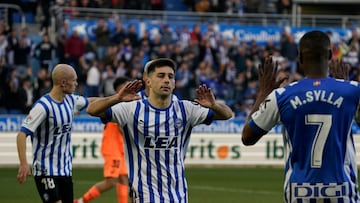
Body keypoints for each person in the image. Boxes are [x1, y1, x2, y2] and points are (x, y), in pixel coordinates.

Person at [86, 58, 233, 202]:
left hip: (179, 195)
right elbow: (92, 109)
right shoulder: (132, 109)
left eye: (171, 77)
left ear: (175, 83)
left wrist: (214, 105)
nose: (167, 80)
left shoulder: (186, 109)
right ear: (148, 81)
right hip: (145, 195)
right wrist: (117, 98)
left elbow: (227, 114)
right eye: (161, 76)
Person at [241, 30, 360, 202]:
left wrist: (263, 94)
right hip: (342, 193)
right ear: (329, 55)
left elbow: (247, 137)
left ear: (300, 59)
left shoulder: (281, 96)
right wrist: (344, 85)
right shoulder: (354, 91)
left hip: (300, 194)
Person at [16, 64, 97, 203]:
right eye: (74, 80)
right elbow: (22, 135)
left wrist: (117, 98)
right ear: (63, 82)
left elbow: (90, 101)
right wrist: (24, 164)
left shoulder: (70, 100)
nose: (76, 84)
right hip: (45, 170)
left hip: (65, 171)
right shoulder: (42, 107)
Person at [75, 77, 131, 203]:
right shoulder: (114, 103)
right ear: (118, 89)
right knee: (111, 181)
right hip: (112, 148)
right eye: (126, 86)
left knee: (124, 178)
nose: (130, 89)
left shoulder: (126, 103)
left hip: (120, 148)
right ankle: (81, 201)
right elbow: (122, 129)